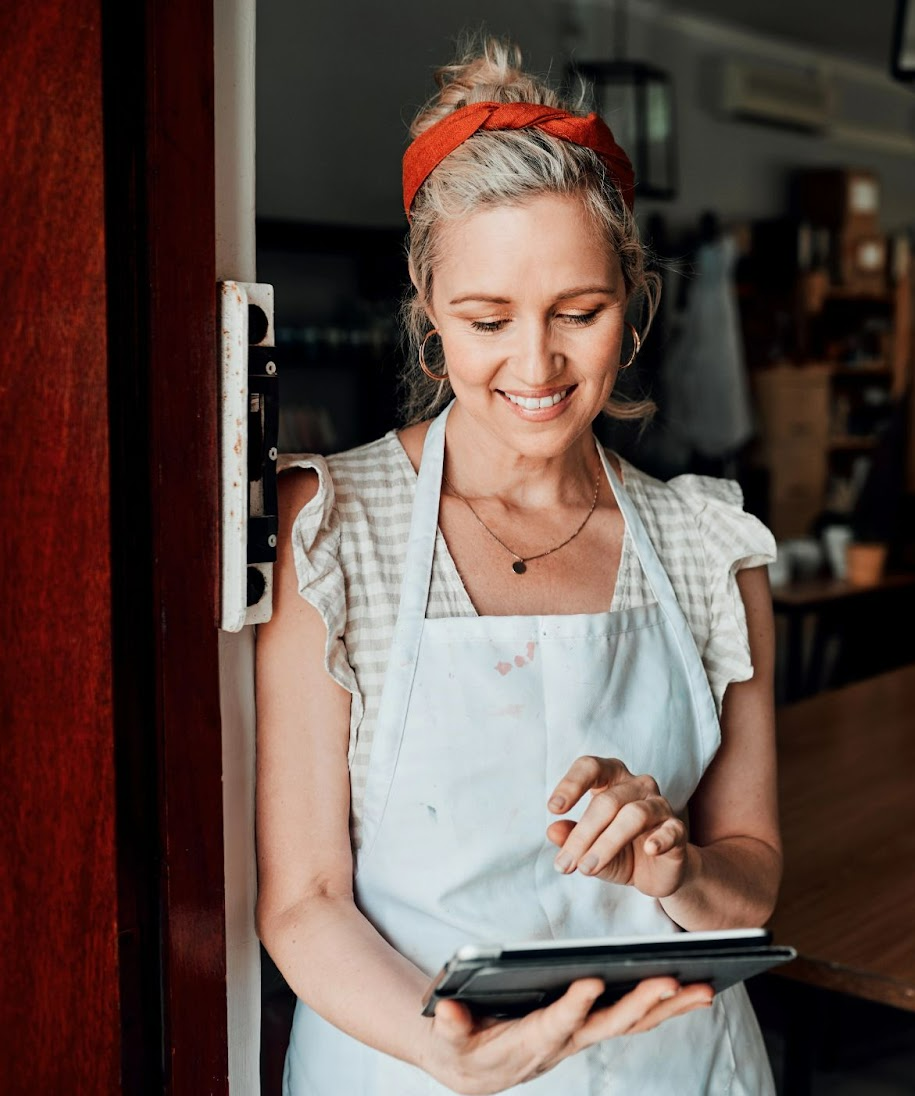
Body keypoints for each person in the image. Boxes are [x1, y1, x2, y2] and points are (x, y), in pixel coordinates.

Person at [255, 36, 781, 1094]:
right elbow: (303, 898)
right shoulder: (332, 525)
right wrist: (436, 1040)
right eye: (487, 319)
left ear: (631, 303)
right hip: (406, 1067)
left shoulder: (705, 545)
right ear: (426, 312)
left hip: (674, 1071)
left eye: (578, 314)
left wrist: (675, 865)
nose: (535, 366)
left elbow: (751, 878)